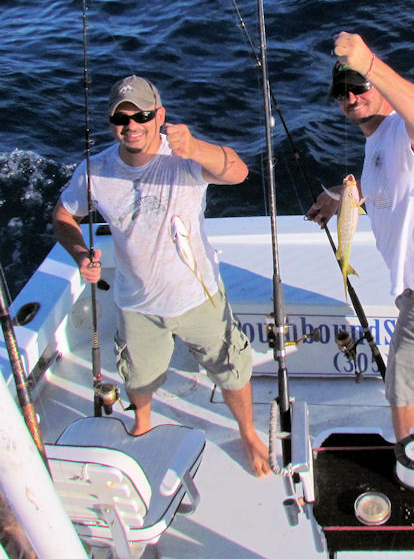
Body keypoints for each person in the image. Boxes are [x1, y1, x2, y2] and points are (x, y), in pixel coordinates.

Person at [52, 75, 271, 477]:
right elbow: (64, 216)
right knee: (138, 377)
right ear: (111, 122)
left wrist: (197, 147)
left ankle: (248, 432)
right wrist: (80, 252)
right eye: (121, 118)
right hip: (136, 305)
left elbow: (238, 172)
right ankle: (142, 423)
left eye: (142, 116)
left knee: (230, 369)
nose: (132, 125)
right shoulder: (95, 171)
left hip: (198, 297)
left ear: (160, 115)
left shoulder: (184, 158)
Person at [307, 32, 414, 442]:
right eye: (342, 92)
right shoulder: (378, 140)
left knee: (402, 393)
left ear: (377, 85)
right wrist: (341, 196)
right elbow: (386, 181)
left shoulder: (403, 130)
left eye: (359, 86)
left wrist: (369, 62)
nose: (350, 97)